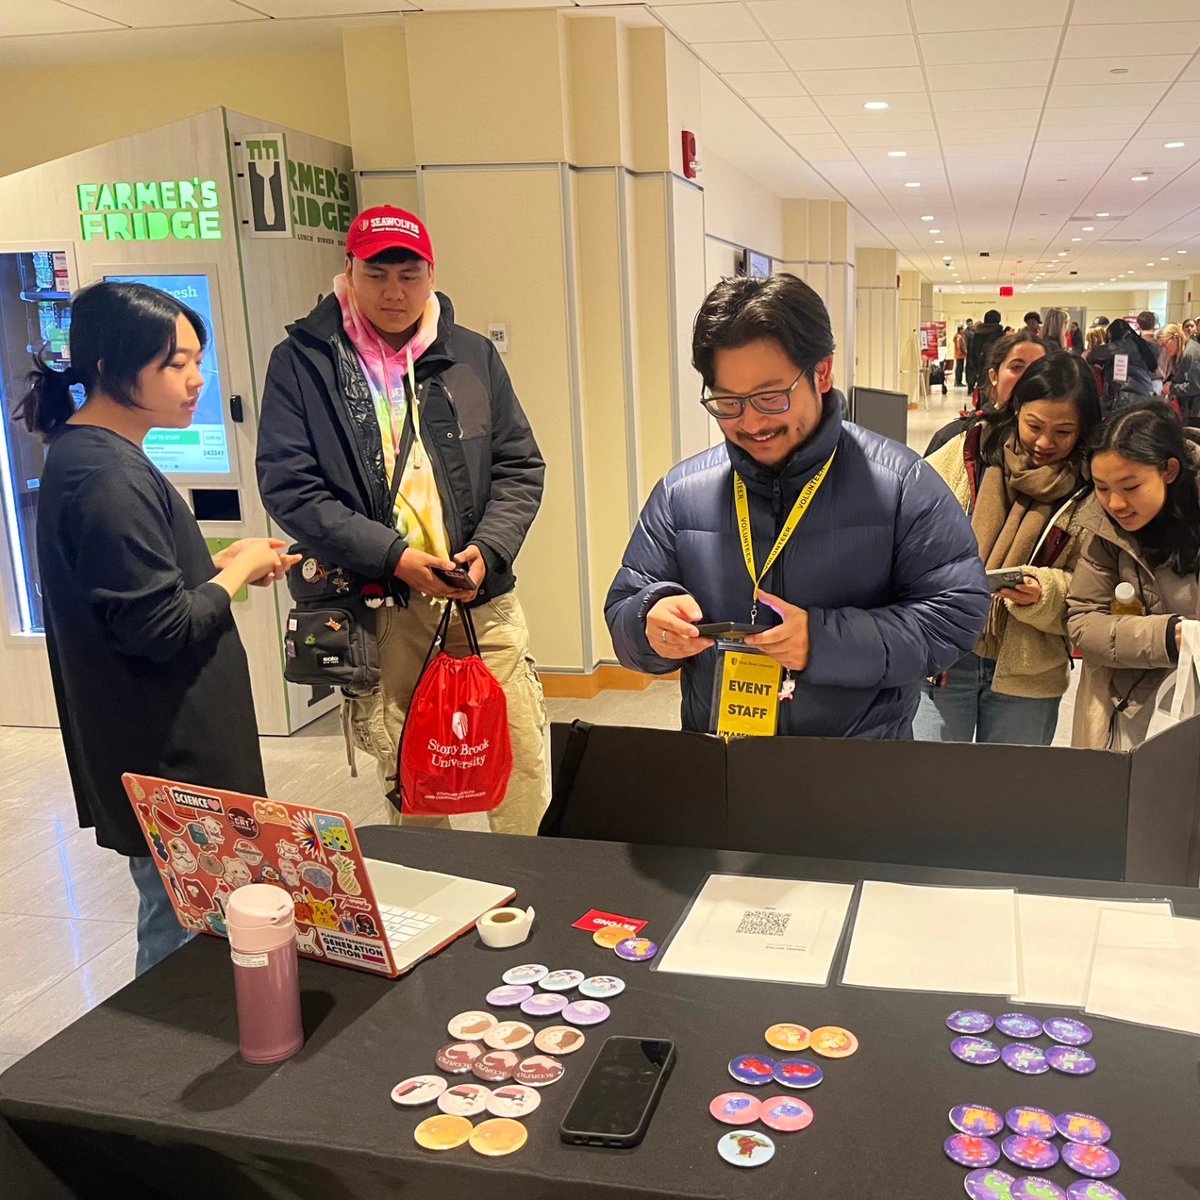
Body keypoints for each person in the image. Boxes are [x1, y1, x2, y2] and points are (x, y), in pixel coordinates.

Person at [12, 282, 296, 975]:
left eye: (198, 359)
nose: (196, 379)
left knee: (188, 920)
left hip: (164, 750)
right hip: (167, 759)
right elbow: (161, 627)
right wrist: (237, 572)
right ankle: (147, 1079)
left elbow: (141, 600)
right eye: (174, 363)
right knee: (182, 937)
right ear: (110, 368)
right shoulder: (104, 474)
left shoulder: (96, 459)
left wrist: (219, 567)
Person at [256, 206, 549, 834]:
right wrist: (395, 558)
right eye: (378, 273)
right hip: (381, 600)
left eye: (409, 275)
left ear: (431, 274)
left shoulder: (470, 355)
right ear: (349, 271)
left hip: (481, 594)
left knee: (522, 755)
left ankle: (535, 889)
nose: (395, 292)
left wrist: (490, 550)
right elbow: (290, 489)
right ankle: (434, 906)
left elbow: (520, 467)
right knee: (411, 769)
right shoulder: (304, 362)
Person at [604, 273, 990, 739]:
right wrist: (649, 620)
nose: (751, 422)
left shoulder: (901, 484)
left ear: (822, 373)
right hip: (724, 762)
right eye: (728, 402)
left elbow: (957, 613)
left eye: (771, 397)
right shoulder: (682, 491)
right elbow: (626, 604)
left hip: (855, 768)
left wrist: (825, 643)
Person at [915, 352, 1101, 746]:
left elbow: (1096, 590)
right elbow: (907, 531)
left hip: (1029, 672)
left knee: (1009, 797)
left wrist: (1044, 592)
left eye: (1064, 432)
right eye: (1034, 425)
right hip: (948, 655)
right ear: (1016, 407)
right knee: (930, 790)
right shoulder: (970, 450)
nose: (1045, 442)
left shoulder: (1093, 485)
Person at [1067, 404, 1200, 749]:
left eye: (1130, 486)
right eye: (1102, 487)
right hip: (1130, 713)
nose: (1115, 503)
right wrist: (1170, 637)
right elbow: (1083, 622)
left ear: (1169, 470)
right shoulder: (1103, 530)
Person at [924, 329, 1049, 456]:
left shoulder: (1054, 444)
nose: (1027, 376)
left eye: (1037, 368)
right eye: (1016, 367)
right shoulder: (956, 438)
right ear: (994, 376)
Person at [1088, 317, 1158, 416]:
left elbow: (1095, 355)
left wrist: (1089, 356)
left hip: (1128, 398)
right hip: (1142, 395)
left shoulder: (1125, 346)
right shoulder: (1141, 344)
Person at [966, 308, 1005, 394]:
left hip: (982, 378)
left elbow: (971, 361)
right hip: (999, 378)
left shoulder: (976, 337)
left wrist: (971, 383)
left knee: (983, 402)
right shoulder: (1002, 337)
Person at [1170, 321, 1200, 426]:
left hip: (1195, 411)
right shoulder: (1189, 350)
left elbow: (1195, 386)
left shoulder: (1192, 352)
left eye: (1165, 344)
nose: (1165, 349)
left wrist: (1171, 388)